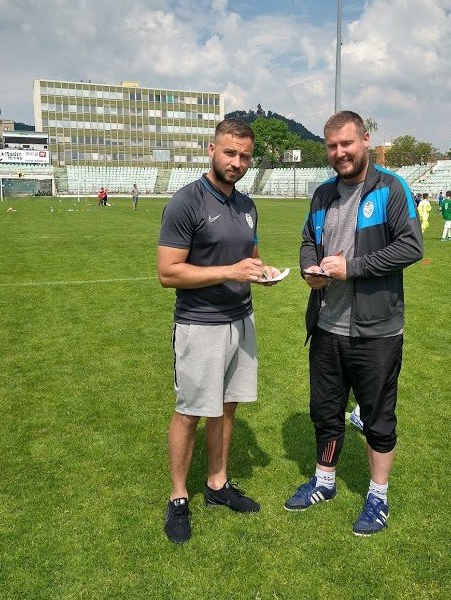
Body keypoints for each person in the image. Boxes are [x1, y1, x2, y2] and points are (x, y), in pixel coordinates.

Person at [285, 111, 423, 537]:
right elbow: (308, 241)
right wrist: (309, 268)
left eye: (346, 143)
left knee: (378, 417)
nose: (339, 152)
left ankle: (377, 496)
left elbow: (411, 247)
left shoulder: (390, 187)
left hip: (376, 329)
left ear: (365, 139)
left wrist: (353, 268)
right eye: (332, 146)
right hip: (327, 325)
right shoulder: (323, 194)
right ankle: (324, 481)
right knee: (326, 411)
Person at [157, 118, 280, 544]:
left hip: (241, 321)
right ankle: (178, 496)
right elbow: (168, 273)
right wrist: (230, 271)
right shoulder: (186, 202)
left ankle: (217, 483)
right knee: (190, 411)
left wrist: (263, 272)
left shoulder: (247, 206)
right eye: (230, 152)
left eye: (245, 156)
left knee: (228, 407)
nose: (237, 162)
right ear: (212, 150)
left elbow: (251, 257)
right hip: (200, 325)